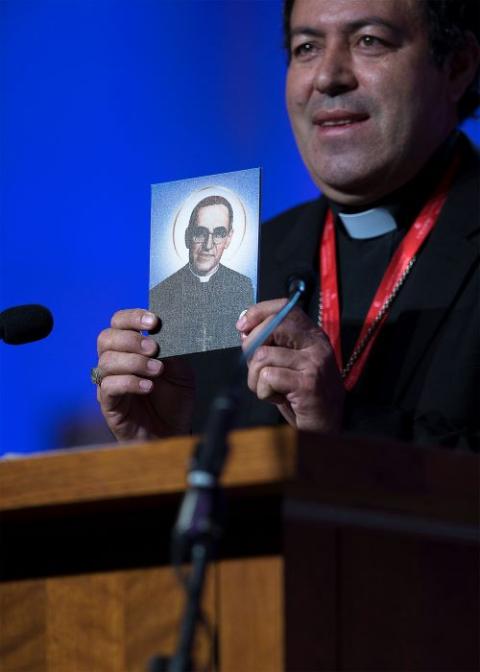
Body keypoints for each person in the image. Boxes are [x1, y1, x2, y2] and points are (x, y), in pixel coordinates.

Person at [94, 0, 479, 449]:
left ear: (457, 67)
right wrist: (163, 449)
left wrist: (344, 425)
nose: (327, 76)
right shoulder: (239, 269)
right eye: (306, 47)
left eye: (369, 41)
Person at [149, 195, 254, 357]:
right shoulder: (160, 293)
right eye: (200, 233)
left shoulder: (242, 286)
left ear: (228, 239)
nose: (208, 245)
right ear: (187, 237)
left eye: (219, 233)